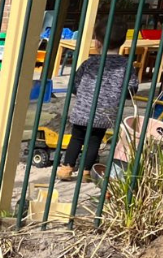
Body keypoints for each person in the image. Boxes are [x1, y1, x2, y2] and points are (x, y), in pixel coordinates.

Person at [57, 21, 138, 182]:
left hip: (83, 110)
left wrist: (80, 94)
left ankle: (67, 167)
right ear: (122, 42)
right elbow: (132, 87)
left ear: (97, 42)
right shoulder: (126, 64)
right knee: (94, 141)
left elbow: (76, 82)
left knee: (76, 138)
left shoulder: (90, 62)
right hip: (105, 113)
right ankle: (86, 171)